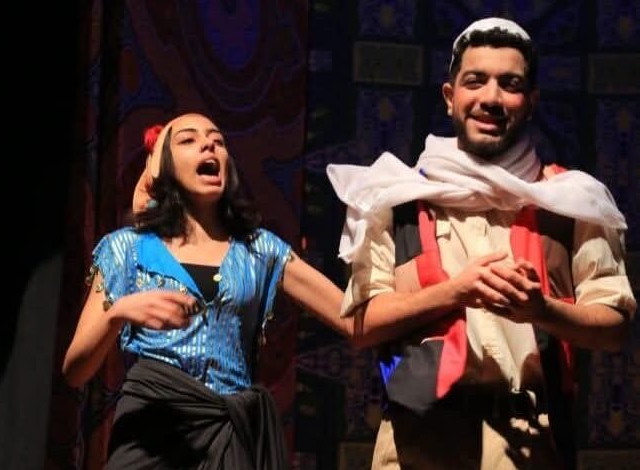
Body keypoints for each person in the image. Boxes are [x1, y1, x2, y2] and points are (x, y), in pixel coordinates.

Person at [326, 17, 636, 470]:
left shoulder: (572, 200)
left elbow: (614, 328)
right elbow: (362, 326)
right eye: (475, 81)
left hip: (527, 447)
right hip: (416, 444)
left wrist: (541, 310)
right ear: (450, 96)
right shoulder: (395, 197)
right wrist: (456, 291)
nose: (491, 98)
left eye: (510, 84)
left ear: (530, 102)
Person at [62, 112, 433, 469]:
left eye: (218, 141)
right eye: (188, 140)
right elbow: (75, 371)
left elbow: (355, 322)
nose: (209, 146)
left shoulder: (260, 250)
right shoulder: (126, 249)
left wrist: (446, 295)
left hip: (229, 438)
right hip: (152, 435)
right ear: (163, 166)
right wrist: (118, 313)